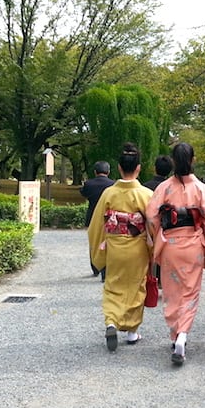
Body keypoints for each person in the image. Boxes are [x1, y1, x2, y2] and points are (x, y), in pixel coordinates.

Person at [146, 142, 205, 366]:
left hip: (170, 245)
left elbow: (151, 215)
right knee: (190, 291)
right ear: (193, 160)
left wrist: (160, 233)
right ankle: (183, 336)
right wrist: (204, 237)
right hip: (193, 245)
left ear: (174, 161)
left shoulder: (165, 188)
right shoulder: (200, 188)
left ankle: (175, 334)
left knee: (171, 291)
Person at [88, 144, 154, 351]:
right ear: (139, 168)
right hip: (137, 248)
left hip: (115, 246)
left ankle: (111, 321)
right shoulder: (146, 194)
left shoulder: (109, 193)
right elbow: (153, 225)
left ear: (118, 167)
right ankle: (132, 332)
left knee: (113, 285)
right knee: (136, 286)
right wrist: (154, 250)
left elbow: (96, 225)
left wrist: (99, 250)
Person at [80, 160, 115, 280]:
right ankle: (106, 268)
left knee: (93, 241)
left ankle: (95, 267)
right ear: (108, 171)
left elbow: (83, 193)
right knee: (108, 241)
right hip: (108, 217)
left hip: (92, 216)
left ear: (95, 172)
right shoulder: (113, 184)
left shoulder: (89, 184)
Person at [143, 154, 173, 286]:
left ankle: (151, 280)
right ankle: (163, 280)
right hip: (168, 226)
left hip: (150, 226)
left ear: (155, 168)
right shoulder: (172, 187)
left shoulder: (145, 187)